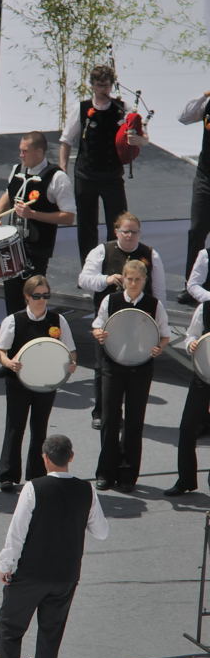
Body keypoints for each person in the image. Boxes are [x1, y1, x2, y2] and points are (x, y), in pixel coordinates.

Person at [0, 435, 109, 658]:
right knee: (51, 634)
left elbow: (17, 532)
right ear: (72, 456)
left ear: (45, 458)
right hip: (65, 575)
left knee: (10, 629)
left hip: (30, 574)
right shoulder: (86, 490)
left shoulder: (33, 488)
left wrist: (6, 564)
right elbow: (102, 532)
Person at [77, 212, 165, 430]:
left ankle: (130, 414)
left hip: (139, 322)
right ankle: (101, 412)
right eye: (125, 231)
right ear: (116, 231)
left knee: (134, 368)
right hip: (109, 320)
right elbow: (83, 279)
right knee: (104, 368)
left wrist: (158, 320)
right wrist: (107, 279)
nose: (129, 235)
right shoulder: (103, 250)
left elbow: (159, 290)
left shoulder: (150, 254)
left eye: (134, 232)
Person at [91, 259, 169, 492]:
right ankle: (105, 472)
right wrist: (99, 334)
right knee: (110, 419)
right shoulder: (111, 300)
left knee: (134, 421)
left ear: (144, 280)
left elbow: (163, 334)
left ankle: (128, 474)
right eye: (129, 278)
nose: (133, 283)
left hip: (140, 368)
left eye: (138, 279)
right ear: (122, 278)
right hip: (112, 365)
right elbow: (98, 326)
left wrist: (160, 348)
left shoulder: (154, 305)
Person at [0, 275, 77, 492]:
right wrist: (8, 362)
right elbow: (0, 351)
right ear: (27, 297)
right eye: (36, 296)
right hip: (17, 383)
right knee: (15, 427)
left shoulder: (58, 320)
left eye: (45, 295)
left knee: (40, 429)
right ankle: (8, 475)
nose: (41, 300)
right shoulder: (14, 320)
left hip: (46, 383)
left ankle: (36, 474)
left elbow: (70, 350)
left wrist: (72, 363)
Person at [59, 64, 147, 264]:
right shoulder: (81, 108)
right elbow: (65, 141)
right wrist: (63, 168)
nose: (103, 90)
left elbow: (144, 138)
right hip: (86, 175)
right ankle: (88, 268)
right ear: (92, 86)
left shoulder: (121, 108)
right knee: (86, 225)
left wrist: (137, 141)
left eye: (106, 86)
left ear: (111, 85)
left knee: (116, 224)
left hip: (112, 176)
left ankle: (115, 266)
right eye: (99, 86)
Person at [0, 132, 76, 315]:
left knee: (33, 294)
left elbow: (68, 216)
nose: (21, 155)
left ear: (39, 151)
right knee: (11, 293)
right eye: (20, 151)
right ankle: (14, 334)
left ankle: (34, 335)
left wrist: (33, 214)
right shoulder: (17, 169)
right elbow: (8, 193)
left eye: (25, 151)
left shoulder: (57, 177)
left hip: (36, 248)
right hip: (11, 246)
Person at [165, 303, 210, 496]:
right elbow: (191, 335)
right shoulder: (205, 308)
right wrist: (191, 344)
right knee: (187, 428)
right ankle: (186, 480)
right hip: (203, 375)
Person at [177, 90, 210, 305]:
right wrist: (203, 96)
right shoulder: (208, 103)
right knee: (197, 229)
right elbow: (184, 117)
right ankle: (191, 285)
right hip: (205, 176)